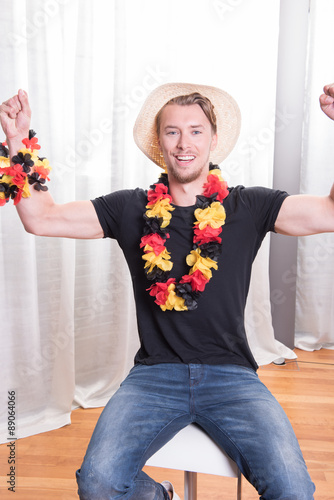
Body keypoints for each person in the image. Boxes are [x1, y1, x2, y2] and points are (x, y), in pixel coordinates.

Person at [1, 82, 334, 500]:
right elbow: (42, 218)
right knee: (98, 484)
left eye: (196, 131)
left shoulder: (249, 206)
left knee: (294, 490)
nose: (184, 142)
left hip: (232, 376)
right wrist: (17, 142)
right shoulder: (131, 208)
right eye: (172, 131)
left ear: (214, 140)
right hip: (154, 376)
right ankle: (161, 496)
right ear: (160, 142)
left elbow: (330, 210)